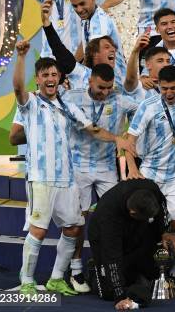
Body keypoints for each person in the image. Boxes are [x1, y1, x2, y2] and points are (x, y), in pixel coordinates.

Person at [13, 41, 132, 296]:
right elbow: (17, 88)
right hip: (41, 178)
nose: (50, 78)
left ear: (59, 78)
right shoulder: (31, 103)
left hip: (67, 178)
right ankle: (26, 281)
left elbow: (93, 129)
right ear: (38, 79)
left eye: (54, 74)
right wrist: (21, 58)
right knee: (39, 230)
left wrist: (117, 139)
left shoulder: (67, 105)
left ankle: (57, 277)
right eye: (45, 75)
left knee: (74, 227)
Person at [63, 64, 138, 293]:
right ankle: (76, 269)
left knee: (117, 216)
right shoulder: (72, 98)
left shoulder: (119, 99)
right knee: (79, 220)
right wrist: (119, 139)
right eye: (100, 87)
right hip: (79, 167)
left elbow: (142, 113)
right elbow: (92, 130)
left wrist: (130, 135)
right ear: (89, 81)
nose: (104, 92)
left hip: (106, 169)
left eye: (108, 88)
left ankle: (115, 266)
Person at [125, 66, 175, 291]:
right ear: (159, 86)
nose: (169, 93)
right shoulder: (149, 105)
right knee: (144, 224)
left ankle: (174, 274)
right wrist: (132, 168)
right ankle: (144, 272)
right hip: (151, 175)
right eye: (165, 89)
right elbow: (129, 139)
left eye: (173, 88)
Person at [88, 179, 175, 309]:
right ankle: (96, 270)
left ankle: (136, 274)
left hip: (136, 227)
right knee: (108, 293)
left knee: (149, 273)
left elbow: (161, 208)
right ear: (133, 213)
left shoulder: (150, 188)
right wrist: (120, 297)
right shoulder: (109, 214)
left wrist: (165, 231)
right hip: (103, 237)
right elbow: (112, 256)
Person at [41, 0, 125, 91]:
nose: (112, 49)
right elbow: (60, 51)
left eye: (112, 47)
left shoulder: (122, 81)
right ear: (94, 54)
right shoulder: (82, 74)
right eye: (106, 47)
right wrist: (47, 24)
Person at [68, 0, 127, 83]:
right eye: (75, 6)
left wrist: (76, 76)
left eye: (82, 4)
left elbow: (98, 59)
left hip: (112, 83)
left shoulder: (99, 23)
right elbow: (85, 50)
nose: (79, 9)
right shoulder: (88, 18)